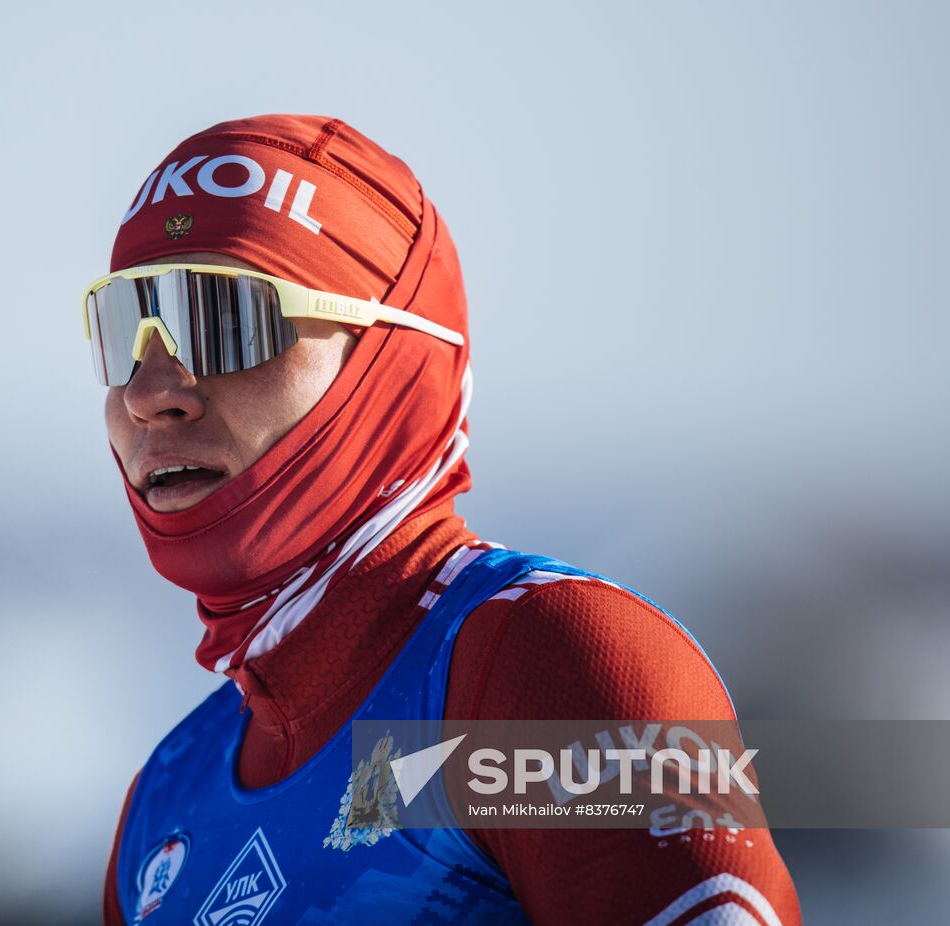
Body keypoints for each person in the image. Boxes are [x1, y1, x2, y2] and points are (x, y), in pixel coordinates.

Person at [86, 114, 801, 924]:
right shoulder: (167, 797)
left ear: (393, 361)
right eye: (124, 329)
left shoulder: (540, 675)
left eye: (225, 318)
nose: (149, 394)